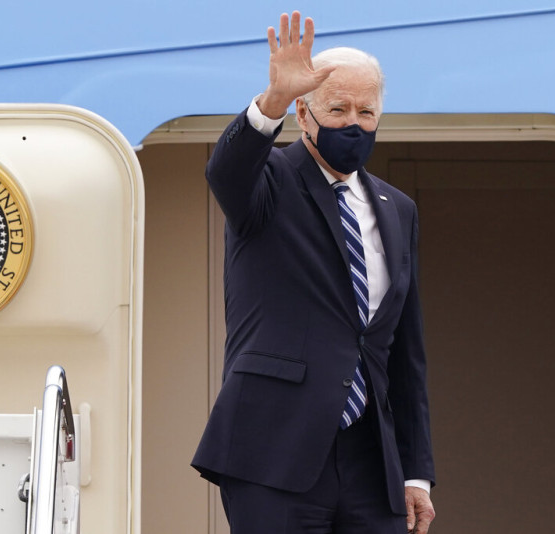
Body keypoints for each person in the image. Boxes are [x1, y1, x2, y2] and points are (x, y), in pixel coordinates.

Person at [191, 11, 436, 534]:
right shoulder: (267, 181)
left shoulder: (399, 209)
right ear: (305, 115)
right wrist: (273, 99)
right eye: (338, 108)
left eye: (366, 112)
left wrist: (416, 473)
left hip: (373, 459)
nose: (353, 122)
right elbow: (225, 171)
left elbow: (404, 355)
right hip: (274, 451)